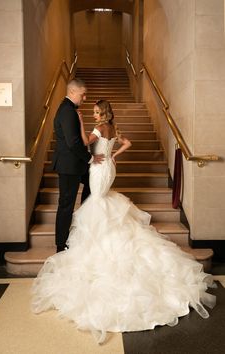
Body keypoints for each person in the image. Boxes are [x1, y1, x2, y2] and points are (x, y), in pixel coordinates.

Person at [32, 100, 216, 343]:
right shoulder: (113, 127)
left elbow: (85, 144)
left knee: (97, 202)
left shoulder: (99, 129)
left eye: (97, 112)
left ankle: (100, 240)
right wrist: (113, 155)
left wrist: (79, 122)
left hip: (99, 168)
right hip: (108, 165)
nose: (94, 115)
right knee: (102, 201)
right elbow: (127, 143)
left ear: (103, 113)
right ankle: (105, 234)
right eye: (93, 113)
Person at [51, 79, 104, 252]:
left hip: (75, 165)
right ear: (73, 92)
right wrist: (90, 158)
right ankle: (61, 244)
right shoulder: (67, 111)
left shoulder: (70, 110)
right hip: (69, 166)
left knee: (91, 185)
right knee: (66, 204)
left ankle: (84, 224)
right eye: (83, 94)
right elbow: (73, 142)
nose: (85, 98)